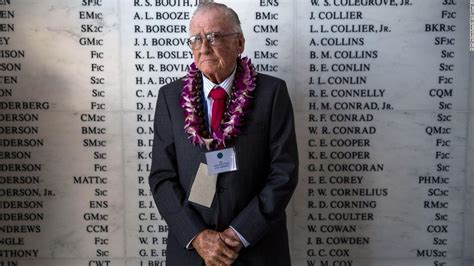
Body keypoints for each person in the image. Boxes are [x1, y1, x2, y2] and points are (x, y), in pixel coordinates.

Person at [149, 2, 298, 265]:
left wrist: (239, 234)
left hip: (257, 250)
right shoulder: (170, 98)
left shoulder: (272, 94)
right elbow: (162, 177)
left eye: (214, 37)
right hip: (192, 253)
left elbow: (283, 173)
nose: (204, 48)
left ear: (239, 43)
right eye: (196, 39)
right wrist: (197, 236)